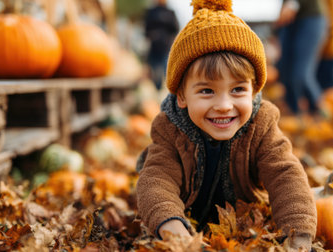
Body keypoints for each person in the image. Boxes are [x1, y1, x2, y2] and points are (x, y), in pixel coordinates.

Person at [136, 0, 317, 251]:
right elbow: (157, 179)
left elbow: (285, 174)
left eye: (238, 89)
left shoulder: (260, 124)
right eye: (207, 91)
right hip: (188, 223)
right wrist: (172, 227)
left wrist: (298, 233)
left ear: (253, 90)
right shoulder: (171, 128)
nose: (224, 105)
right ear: (182, 96)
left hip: (246, 227)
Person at [274, 0, 327, 114]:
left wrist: (293, 4)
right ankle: (295, 112)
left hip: (310, 17)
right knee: (284, 71)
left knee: (301, 74)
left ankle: (320, 111)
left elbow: (290, 7)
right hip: (290, 22)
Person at [144, 0, 179, 90]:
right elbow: (146, 29)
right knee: (155, 73)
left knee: (166, 72)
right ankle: (156, 90)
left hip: (166, 48)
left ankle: (166, 92)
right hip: (154, 48)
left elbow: (175, 29)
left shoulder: (170, 12)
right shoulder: (151, 12)